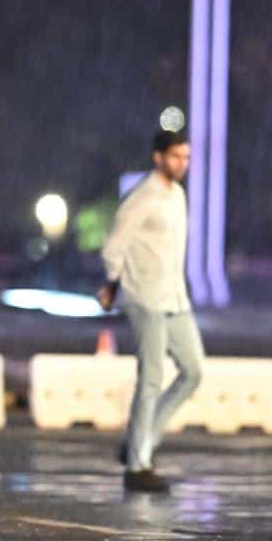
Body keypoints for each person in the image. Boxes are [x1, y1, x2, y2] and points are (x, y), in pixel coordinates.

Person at [96, 128, 205, 493]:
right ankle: (137, 465)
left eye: (186, 157)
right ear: (158, 157)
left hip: (175, 298)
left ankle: (138, 441)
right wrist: (114, 283)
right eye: (176, 156)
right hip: (143, 297)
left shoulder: (178, 195)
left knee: (193, 370)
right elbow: (114, 245)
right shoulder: (143, 196)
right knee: (152, 378)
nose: (182, 163)